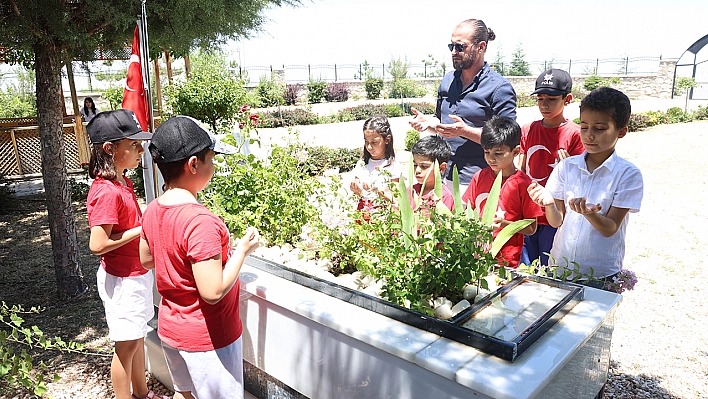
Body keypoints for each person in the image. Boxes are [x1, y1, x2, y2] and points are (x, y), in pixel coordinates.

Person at [139, 116, 260, 399]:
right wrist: (241, 251)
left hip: (171, 330)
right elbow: (213, 291)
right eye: (211, 159)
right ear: (193, 164)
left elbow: (146, 259)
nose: (214, 166)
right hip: (207, 339)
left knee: (185, 393)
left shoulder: (154, 208)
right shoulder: (200, 221)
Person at [527, 87, 643, 289]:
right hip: (560, 266)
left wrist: (589, 214)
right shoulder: (566, 167)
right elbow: (557, 222)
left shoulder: (628, 174)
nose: (589, 136)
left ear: (621, 131)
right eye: (584, 127)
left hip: (599, 273)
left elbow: (611, 228)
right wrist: (548, 204)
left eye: (599, 129)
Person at [85, 110, 164, 399]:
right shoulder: (106, 190)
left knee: (137, 338)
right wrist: (141, 229)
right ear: (110, 149)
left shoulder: (123, 182)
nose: (140, 150)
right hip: (122, 280)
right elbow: (97, 244)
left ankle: (142, 394)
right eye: (133, 145)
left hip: (135, 274)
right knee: (126, 347)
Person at [409, 18, 516, 193]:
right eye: (452, 47)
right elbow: (442, 122)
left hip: (478, 181)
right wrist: (429, 123)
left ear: (481, 47)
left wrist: (465, 131)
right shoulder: (448, 81)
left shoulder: (499, 88)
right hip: (441, 178)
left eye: (460, 47)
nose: (454, 52)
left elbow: (506, 139)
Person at [519, 68, 585, 266]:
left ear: (568, 99)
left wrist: (567, 167)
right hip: (529, 213)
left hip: (556, 215)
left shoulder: (575, 134)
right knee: (525, 269)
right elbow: (521, 170)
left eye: (552, 99)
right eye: (540, 98)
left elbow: (581, 179)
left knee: (551, 270)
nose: (544, 105)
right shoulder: (528, 129)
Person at [462, 116, 542, 268]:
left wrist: (505, 224)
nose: (491, 159)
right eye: (486, 152)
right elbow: (468, 210)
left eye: (498, 153)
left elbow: (532, 228)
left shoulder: (524, 184)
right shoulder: (479, 177)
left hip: (507, 261)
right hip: (477, 255)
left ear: (516, 151)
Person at [350, 115, 402, 210]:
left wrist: (379, 192)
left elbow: (396, 199)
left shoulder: (393, 166)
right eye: (366, 142)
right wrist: (356, 190)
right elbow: (357, 194)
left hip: (383, 213)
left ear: (387, 139)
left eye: (374, 142)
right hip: (363, 210)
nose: (369, 147)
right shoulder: (362, 164)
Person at [409, 135, 454, 212]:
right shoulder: (410, 191)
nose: (417, 170)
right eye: (415, 165)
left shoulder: (445, 198)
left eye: (424, 166)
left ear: (441, 168)